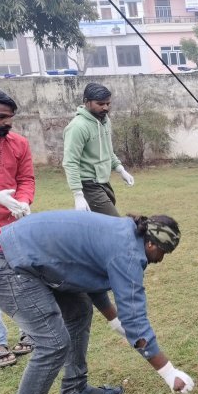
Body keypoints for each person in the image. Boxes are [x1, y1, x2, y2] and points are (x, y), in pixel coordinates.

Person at [0, 210, 194, 394]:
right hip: (8, 264)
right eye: (162, 253)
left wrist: (113, 319)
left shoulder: (124, 233)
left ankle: (74, 390)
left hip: (27, 256)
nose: (160, 260)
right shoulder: (128, 252)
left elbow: (87, 275)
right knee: (53, 343)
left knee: (79, 310)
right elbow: (136, 320)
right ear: (151, 243)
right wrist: (169, 373)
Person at [63, 83, 134, 333]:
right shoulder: (78, 126)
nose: (105, 108)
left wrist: (120, 169)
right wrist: (77, 194)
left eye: (108, 103)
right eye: (100, 104)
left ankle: (97, 272)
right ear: (86, 102)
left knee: (100, 232)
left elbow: (108, 151)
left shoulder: (105, 121)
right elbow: (69, 162)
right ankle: (116, 276)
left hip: (104, 183)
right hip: (88, 185)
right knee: (117, 227)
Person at [0, 87, 35, 368]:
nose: (6, 122)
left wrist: (23, 201)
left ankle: (31, 329)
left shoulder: (18, 143)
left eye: (10, 117)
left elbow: (26, 178)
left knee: (22, 280)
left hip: (13, 226)